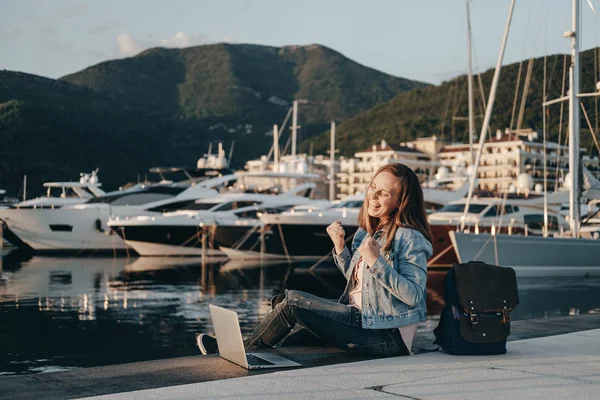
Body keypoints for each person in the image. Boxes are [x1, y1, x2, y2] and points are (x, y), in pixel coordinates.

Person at [197, 163, 433, 357]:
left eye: (384, 193)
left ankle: (233, 351)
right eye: (373, 186)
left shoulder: (410, 237)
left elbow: (414, 296)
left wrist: (376, 262)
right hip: (361, 320)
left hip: (387, 335)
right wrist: (341, 249)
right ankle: (246, 353)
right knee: (292, 338)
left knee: (293, 303)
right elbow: (363, 285)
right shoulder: (367, 231)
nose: (373, 195)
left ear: (400, 202)